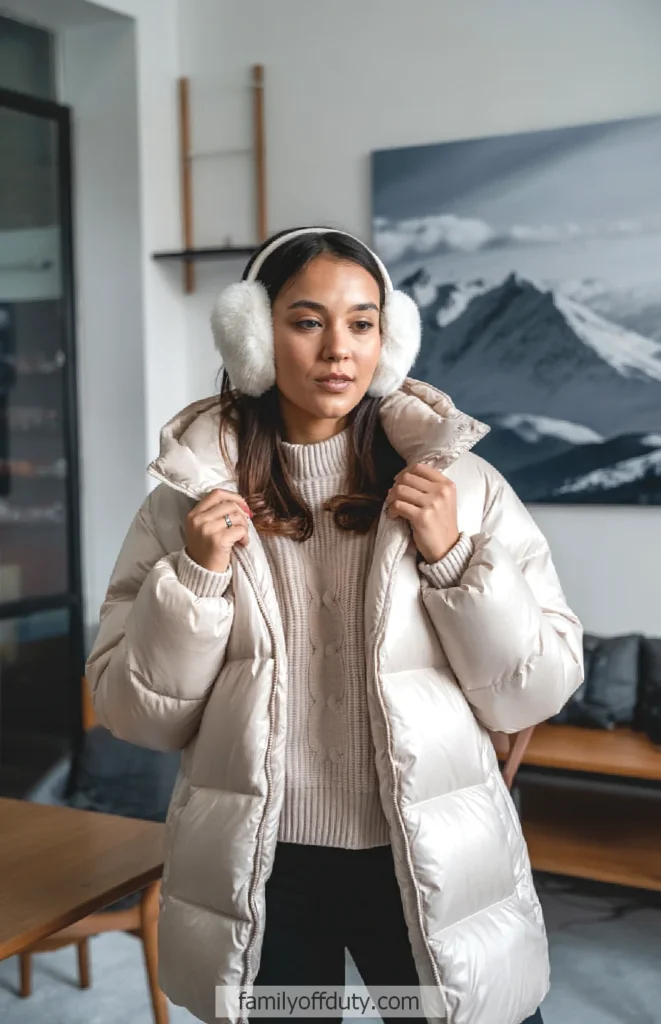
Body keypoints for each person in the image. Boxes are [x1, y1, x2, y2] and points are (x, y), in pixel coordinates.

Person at [87, 227, 582, 1024]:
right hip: (261, 868)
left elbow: (535, 689)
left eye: (362, 323)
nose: (338, 350)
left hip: (425, 856)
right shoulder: (182, 506)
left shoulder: (464, 487)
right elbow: (135, 712)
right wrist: (198, 578)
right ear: (253, 337)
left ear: (387, 340)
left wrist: (453, 558)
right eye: (307, 320)